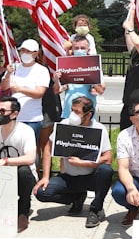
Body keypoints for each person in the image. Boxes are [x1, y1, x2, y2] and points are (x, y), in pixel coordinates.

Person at [34, 95, 114, 228]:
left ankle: (95, 209)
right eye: (72, 110)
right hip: (68, 178)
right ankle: (77, 197)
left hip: (90, 177)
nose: (72, 114)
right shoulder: (64, 125)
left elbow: (108, 158)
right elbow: (48, 148)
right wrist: (46, 177)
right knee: (41, 193)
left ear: (88, 115)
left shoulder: (99, 128)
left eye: (77, 112)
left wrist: (84, 163)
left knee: (106, 171)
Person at [0, 96, 38, 232]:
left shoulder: (25, 131)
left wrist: (4, 161)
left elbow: (30, 158)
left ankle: (23, 212)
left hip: (21, 177)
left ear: (14, 114)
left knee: (24, 170)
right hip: (1, 177)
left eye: (2, 111)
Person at [1, 39, 50, 139]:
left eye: (28, 51)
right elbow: (4, 87)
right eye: (23, 50)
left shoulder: (41, 70)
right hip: (13, 117)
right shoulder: (14, 67)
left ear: (35, 54)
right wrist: (8, 74)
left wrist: (20, 89)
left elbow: (39, 93)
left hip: (32, 119)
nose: (24, 53)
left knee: (30, 150)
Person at [52, 34, 105, 121]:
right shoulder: (65, 65)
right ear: (72, 50)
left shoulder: (94, 67)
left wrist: (91, 76)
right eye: (76, 48)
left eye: (83, 48)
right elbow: (56, 91)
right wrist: (57, 80)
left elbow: (101, 90)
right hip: (69, 114)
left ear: (88, 49)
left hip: (87, 115)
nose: (79, 50)